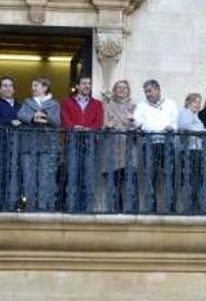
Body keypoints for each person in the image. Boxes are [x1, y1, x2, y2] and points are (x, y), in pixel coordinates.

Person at [133, 79, 178, 213]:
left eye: (150, 91)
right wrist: (134, 121)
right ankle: (151, 209)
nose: (147, 94)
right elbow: (137, 122)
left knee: (169, 176)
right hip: (149, 144)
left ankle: (171, 208)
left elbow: (174, 122)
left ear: (158, 89)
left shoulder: (170, 104)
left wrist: (171, 128)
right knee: (149, 176)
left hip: (166, 143)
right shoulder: (141, 106)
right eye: (145, 92)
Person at [16, 77, 61, 212]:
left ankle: (43, 206)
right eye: (32, 86)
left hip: (47, 145)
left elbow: (57, 121)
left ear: (45, 87)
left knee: (45, 177)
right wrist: (33, 116)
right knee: (28, 176)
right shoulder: (27, 102)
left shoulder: (54, 104)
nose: (33, 88)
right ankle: (30, 206)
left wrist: (45, 116)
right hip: (29, 145)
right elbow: (21, 114)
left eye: (36, 85)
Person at [61, 75, 104, 212]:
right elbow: (64, 117)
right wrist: (73, 127)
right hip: (73, 141)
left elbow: (99, 121)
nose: (87, 86)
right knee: (73, 173)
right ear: (77, 86)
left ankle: (87, 208)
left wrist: (89, 129)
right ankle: (71, 207)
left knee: (88, 175)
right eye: (84, 83)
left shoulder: (97, 104)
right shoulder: (67, 102)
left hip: (90, 141)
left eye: (89, 84)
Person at [102, 80, 136, 213]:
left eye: (125, 88)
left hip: (128, 149)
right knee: (113, 185)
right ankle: (115, 213)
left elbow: (139, 127)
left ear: (128, 90)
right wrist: (107, 126)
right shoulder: (108, 106)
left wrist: (132, 122)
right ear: (114, 91)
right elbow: (103, 126)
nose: (122, 90)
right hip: (112, 148)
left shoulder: (134, 107)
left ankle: (130, 214)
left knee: (129, 184)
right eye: (118, 88)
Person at [0, 77, 20, 210]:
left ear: (13, 90)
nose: (8, 88)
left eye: (10, 86)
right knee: (2, 174)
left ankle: (15, 204)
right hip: (1, 145)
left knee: (17, 175)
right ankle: (0, 205)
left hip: (18, 146)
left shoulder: (20, 105)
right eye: (5, 86)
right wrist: (10, 122)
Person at [178, 93, 206, 214]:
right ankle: (189, 206)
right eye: (195, 102)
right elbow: (183, 126)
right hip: (189, 150)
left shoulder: (194, 115)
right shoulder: (185, 113)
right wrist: (204, 131)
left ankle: (194, 205)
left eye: (199, 102)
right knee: (191, 178)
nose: (197, 105)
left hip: (196, 150)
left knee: (196, 179)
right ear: (188, 102)